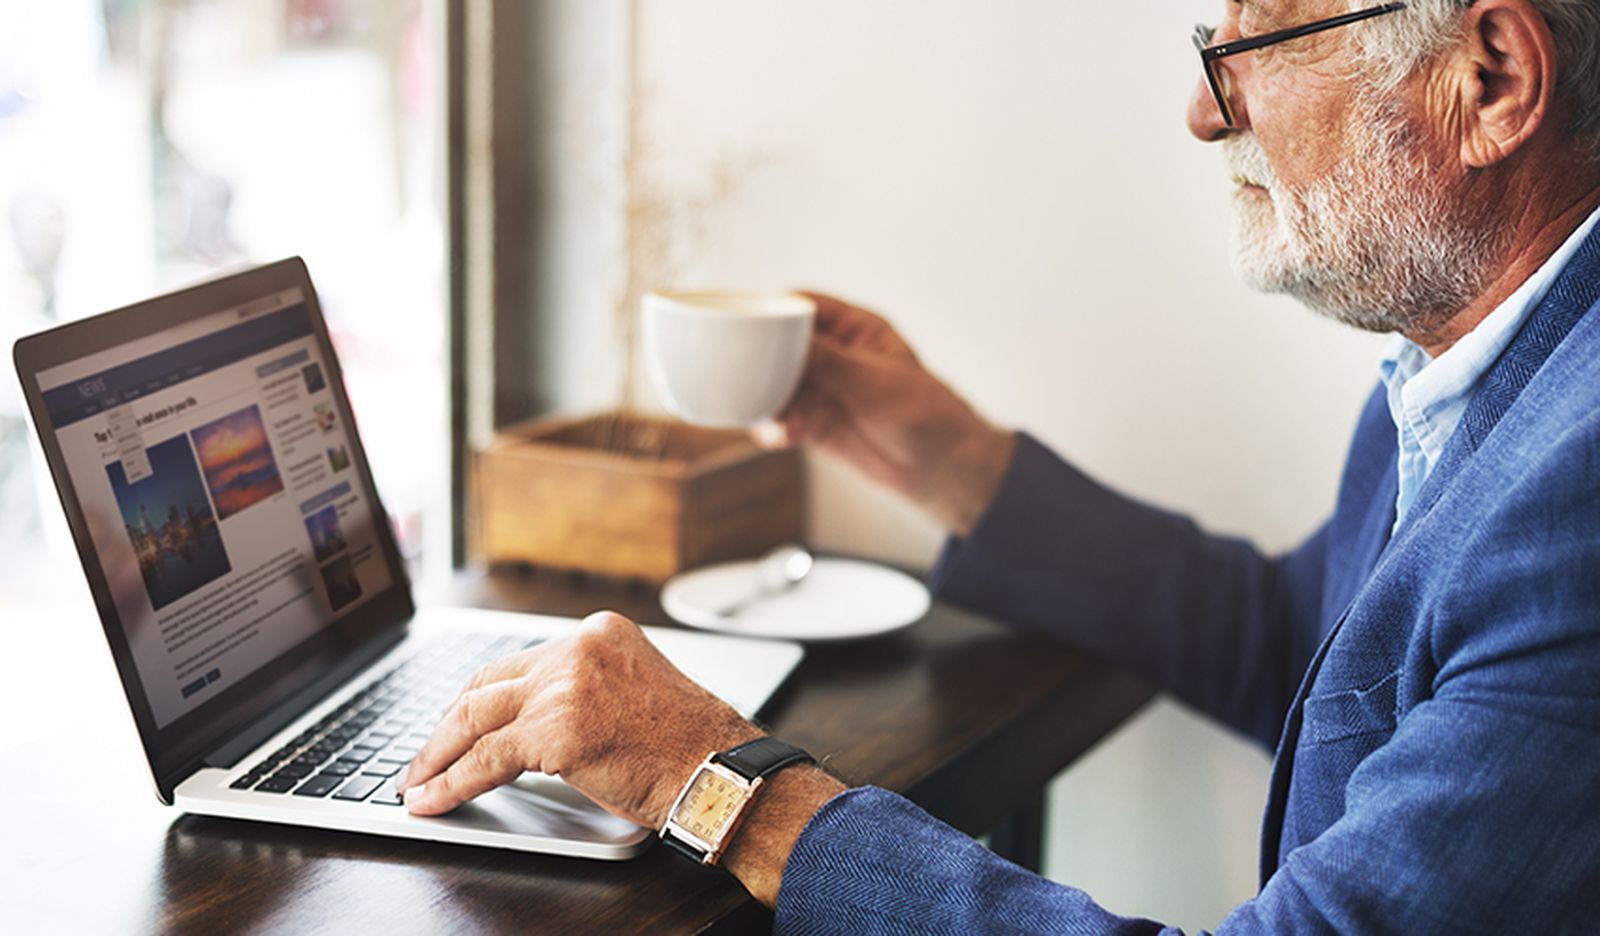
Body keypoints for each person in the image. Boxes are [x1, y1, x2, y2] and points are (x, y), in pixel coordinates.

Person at [396, 0, 1600, 931]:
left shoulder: (1576, 500)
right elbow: (1325, 648)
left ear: (1488, 78)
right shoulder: (1482, 365)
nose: (1201, 108)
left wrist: (721, 785)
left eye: (1250, 40)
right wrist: (944, 460)